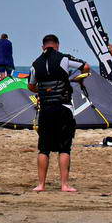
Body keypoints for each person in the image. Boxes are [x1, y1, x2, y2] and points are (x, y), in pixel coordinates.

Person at [27, 34, 90, 193]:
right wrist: (73, 79)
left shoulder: (35, 64)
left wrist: (44, 88)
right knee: (64, 148)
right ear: (57, 45)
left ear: (43, 47)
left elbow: (31, 86)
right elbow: (86, 67)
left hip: (46, 109)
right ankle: (64, 185)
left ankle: (41, 185)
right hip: (63, 108)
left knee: (44, 149)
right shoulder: (64, 59)